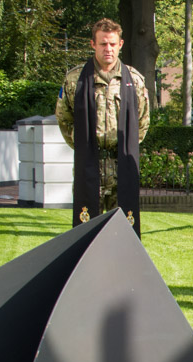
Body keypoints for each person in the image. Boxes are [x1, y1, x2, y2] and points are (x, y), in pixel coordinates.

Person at [56, 18, 150, 237]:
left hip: (122, 166)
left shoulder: (134, 80)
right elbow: (64, 118)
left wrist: (126, 149)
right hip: (90, 164)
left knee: (123, 233)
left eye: (112, 44)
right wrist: (83, 146)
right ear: (93, 45)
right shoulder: (75, 79)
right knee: (87, 233)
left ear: (121, 44)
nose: (108, 49)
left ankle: (122, 272)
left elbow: (142, 121)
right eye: (102, 44)